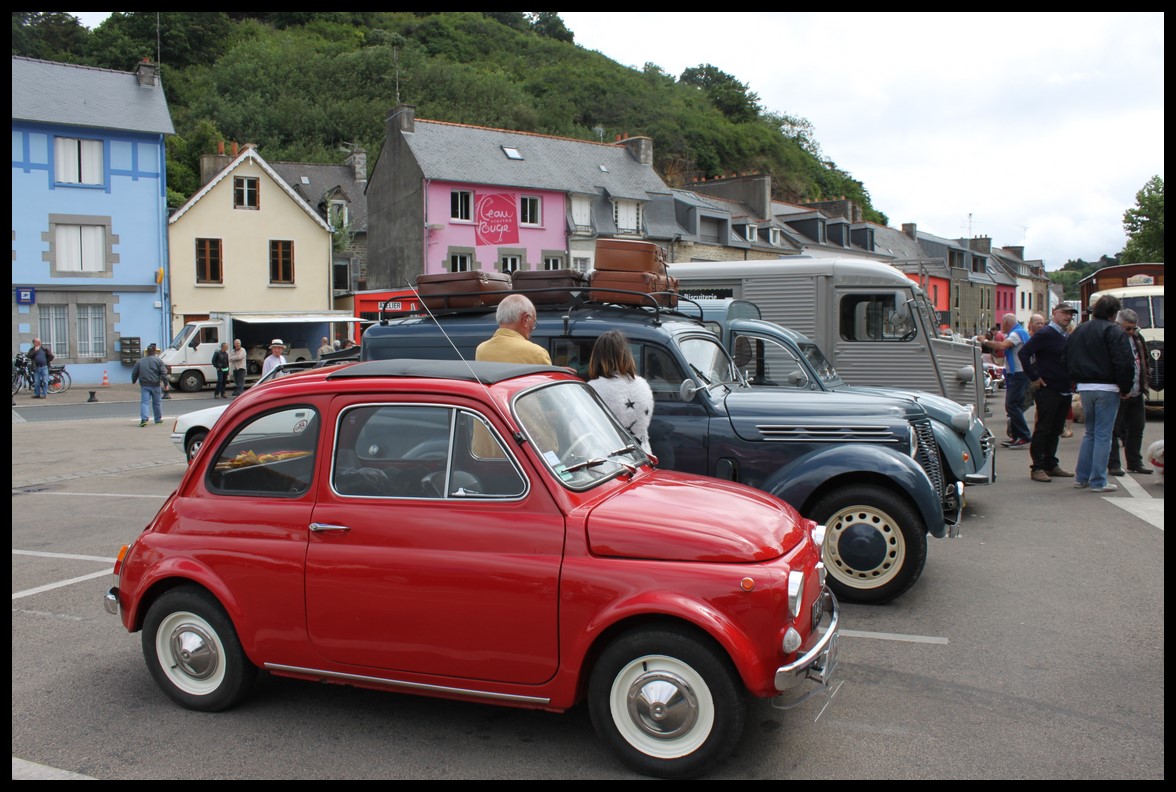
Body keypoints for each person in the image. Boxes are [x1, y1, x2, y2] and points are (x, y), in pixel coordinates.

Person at [1065, 294, 1134, 493]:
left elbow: (1068, 356)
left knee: (1090, 433)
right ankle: (1098, 480)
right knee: (1103, 435)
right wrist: (1125, 387)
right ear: (1114, 313)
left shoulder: (1079, 330)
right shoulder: (1114, 331)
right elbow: (1123, 361)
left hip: (1085, 386)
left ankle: (1082, 477)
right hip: (1108, 386)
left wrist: (1075, 379)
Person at [1018, 303, 1078, 482]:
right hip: (1048, 388)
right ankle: (1037, 466)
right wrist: (1034, 377)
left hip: (1064, 388)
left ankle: (1051, 463)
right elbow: (1024, 353)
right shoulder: (1046, 333)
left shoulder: (1064, 335)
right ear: (1054, 314)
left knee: (1056, 429)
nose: (1068, 317)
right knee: (1044, 428)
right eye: (1064, 313)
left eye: (1070, 314)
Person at [587, 330, 654, 453]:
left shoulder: (592, 390)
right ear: (626, 354)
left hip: (608, 464)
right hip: (642, 457)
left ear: (596, 357)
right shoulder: (643, 386)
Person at [1107, 308, 1152, 477]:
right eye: (1128, 328)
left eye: (1134, 328)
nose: (1132, 331)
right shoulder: (1112, 339)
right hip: (1118, 392)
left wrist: (1144, 381)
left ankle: (1134, 462)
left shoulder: (1137, 338)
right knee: (1114, 430)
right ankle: (1113, 464)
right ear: (1118, 324)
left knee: (1137, 427)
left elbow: (1143, 359)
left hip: (1136, 391)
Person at [982, 313, 1031, 448]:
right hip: (1019, 373)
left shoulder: (1015, 334)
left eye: (1002, 323)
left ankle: (1023, 435)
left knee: (1012, 405)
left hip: (1018, 374)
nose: (1000, 326)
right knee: (1014, 405)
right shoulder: (1021, 332)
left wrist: (985, 341)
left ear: (1006, 323)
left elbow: (1002, 346)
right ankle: (1016, 436)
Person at [475, 294, 551, 364]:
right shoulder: (537, 354)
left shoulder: (481, 350)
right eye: (534, 321)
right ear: (525, 320)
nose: (533, 328)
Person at [131, 344, 168, 427]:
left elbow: (134, 372)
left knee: (144, 403)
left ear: (147, 352)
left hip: (145, 385)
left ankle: (144, 419)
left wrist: (133, 380)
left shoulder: (140, 361)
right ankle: (158, 419)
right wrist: (166, 384)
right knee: (157, 403)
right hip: (156, 385)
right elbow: (164, 373)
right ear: (154, 351)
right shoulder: (158, 361)